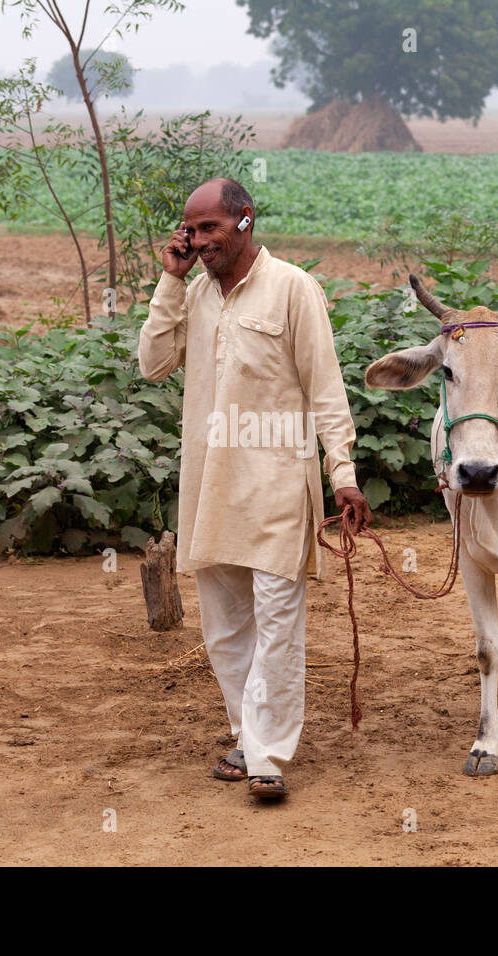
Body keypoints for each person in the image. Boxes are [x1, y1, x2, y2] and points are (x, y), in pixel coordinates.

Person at [138, 177, 370, 799]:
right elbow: (152, 363)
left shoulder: (294, 288)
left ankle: (267, 754)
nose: (200, 240)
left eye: (211, 227)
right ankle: (247, 733)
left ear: (245, 221)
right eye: (191, 229)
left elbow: (326, 389)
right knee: (225, 626)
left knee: (276, 621)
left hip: (277, 487)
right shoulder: (193, 295)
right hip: (210, 487)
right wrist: (172, 279)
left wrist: (341, 473)